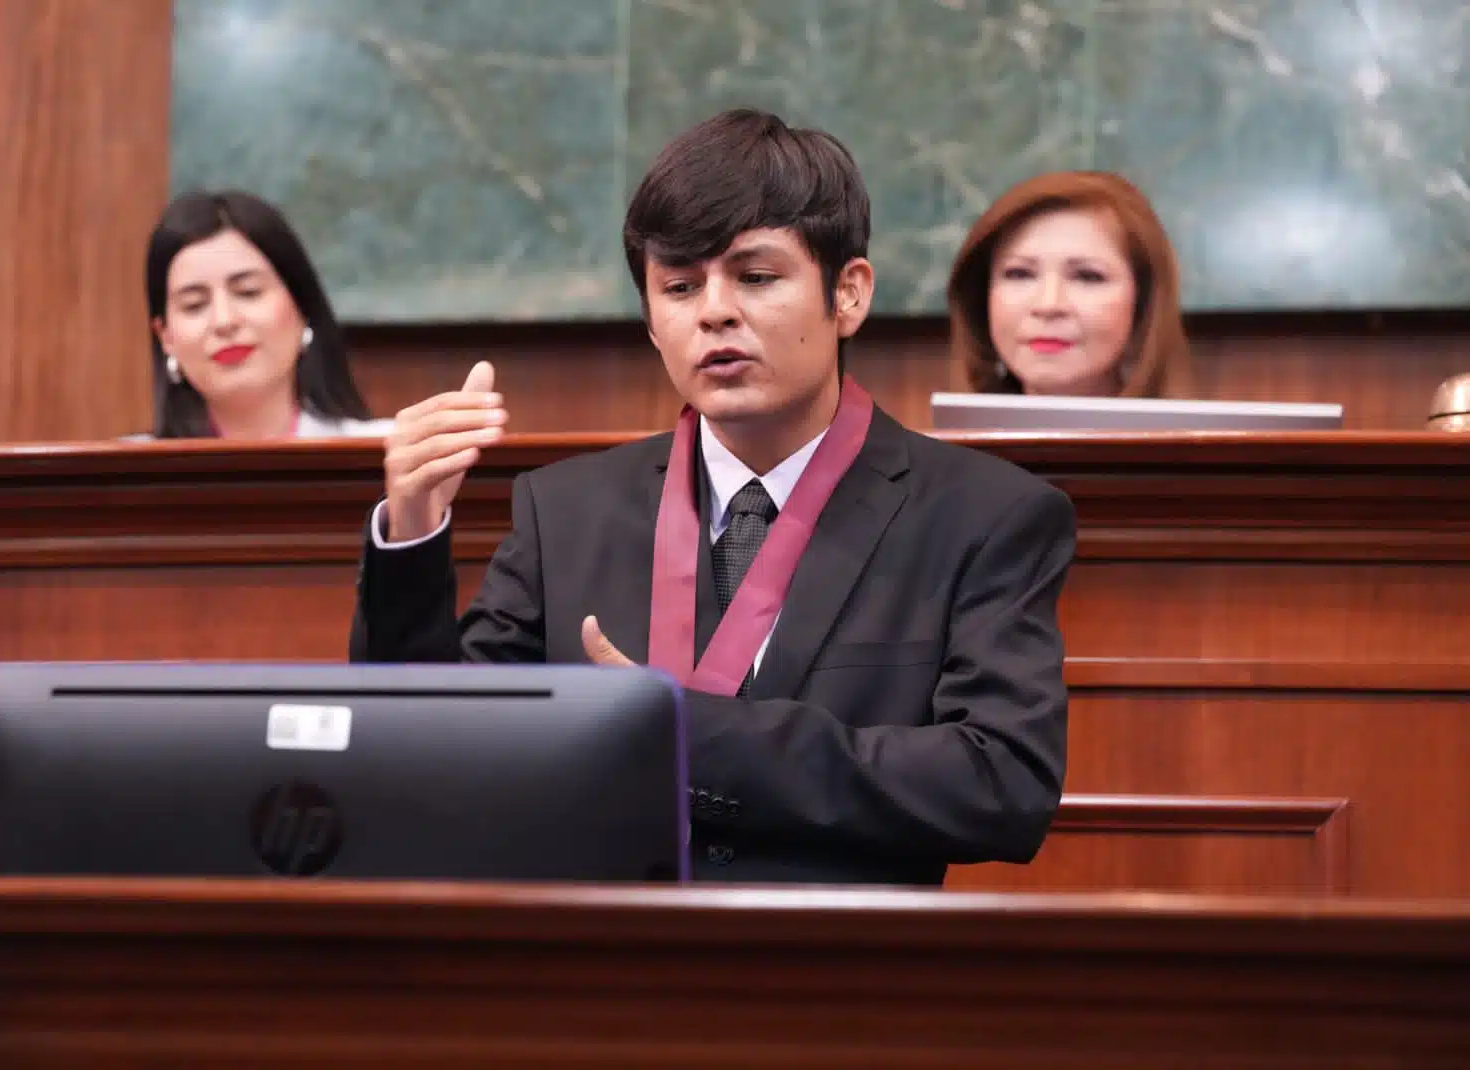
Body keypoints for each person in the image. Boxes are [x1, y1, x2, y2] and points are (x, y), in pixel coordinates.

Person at [351, 109, 1077, 885]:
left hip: (839, 982)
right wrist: (414, 528)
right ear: (652, 322)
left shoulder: (980, 514)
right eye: (679, 285)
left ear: (850, 295)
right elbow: (424, 753)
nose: (715, 311)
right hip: (597, 974)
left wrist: (685, 734)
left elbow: (1003, 783)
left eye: (756, 277)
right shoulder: (564, 511)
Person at [143, 190, 391, 439]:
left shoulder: (388, 454)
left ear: (302, 307)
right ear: (165, 337)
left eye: (248, 292)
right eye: (194, 305)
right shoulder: (126, 472)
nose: (224, 321)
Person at [948, 171, 1191, 398]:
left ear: (1143, 303)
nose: (1048, 305)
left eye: (1087, 276)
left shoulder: (1203, 444)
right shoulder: (931, 444)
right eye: (1020, 273)